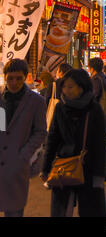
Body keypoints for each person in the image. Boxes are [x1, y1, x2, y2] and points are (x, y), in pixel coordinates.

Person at [40, 69, 106, 217]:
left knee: (90, 210)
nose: (66, 90)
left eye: (70, 87)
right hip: (64, 166)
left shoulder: (94, 109)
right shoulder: (60, 107)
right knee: (62, 211)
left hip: (88, 167)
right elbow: (53, 138)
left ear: (81, 87)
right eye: (64, 87)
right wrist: (45, 168)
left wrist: (100, 175)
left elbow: (100, 144)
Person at [0, 59, 47, 217]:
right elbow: (1, 127)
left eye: (18, 78)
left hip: (17, 165)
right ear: (5, 77)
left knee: (14, 211)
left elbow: (40, 131)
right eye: (10, 78)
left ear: (26, 77)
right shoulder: (1, 99)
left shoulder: (36, 102)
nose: (14, 82)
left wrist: (24, 155)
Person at [88, 57, 106, 185]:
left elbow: (93, 96)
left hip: (99, 116)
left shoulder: (96, 79)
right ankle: (103, 173)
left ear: (91, 68)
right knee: (103, 145)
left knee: (100, 146)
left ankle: (104, 175)